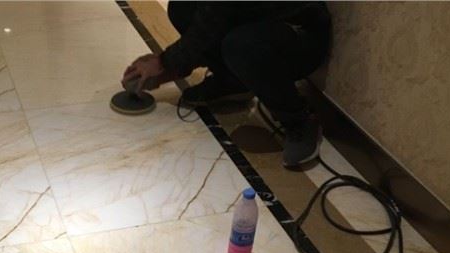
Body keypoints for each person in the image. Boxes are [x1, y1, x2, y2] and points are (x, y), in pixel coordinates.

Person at [122, 2, 332, 167]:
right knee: (182, 7)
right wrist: (169, 66)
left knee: (241, 46)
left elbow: (215, 16)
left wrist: (164, 64)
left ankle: (299, 120)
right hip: (256, 22)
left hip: (301, 33)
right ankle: (233, 81)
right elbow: (211, 19)